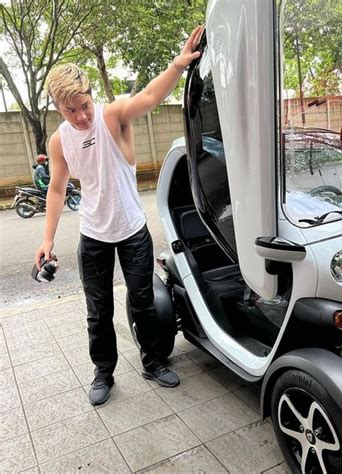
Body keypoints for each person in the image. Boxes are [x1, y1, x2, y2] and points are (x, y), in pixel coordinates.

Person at [35, 26, 203, 406]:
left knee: (144, 302)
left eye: (84, 105)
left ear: (91, 96)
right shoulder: (59, 141)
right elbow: (57, 189)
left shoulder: (111, 116)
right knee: (98, 311)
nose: (81, 116)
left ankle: (153, 361)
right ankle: (103, 373)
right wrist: (47, 239)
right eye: (70, 110)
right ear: (59, 108)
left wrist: (178, 65)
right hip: (94, 234)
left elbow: (149, 96)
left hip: (132, 231)